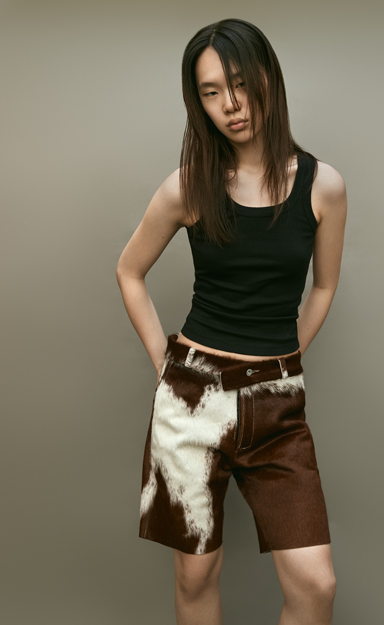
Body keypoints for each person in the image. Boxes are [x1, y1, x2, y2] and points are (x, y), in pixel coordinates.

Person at [116, 17, 347, 625]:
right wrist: (167, 368)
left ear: (269, 77)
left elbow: (323, 286)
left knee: (315, 585)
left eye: (240, 83)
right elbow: (129, 271)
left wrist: (283, 359)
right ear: (199, 103)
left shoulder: (323, 186)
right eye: (211, 92)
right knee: (195, 576)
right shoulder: (188, 187)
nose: (230, 104)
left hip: (278, 411)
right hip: (190, 403)